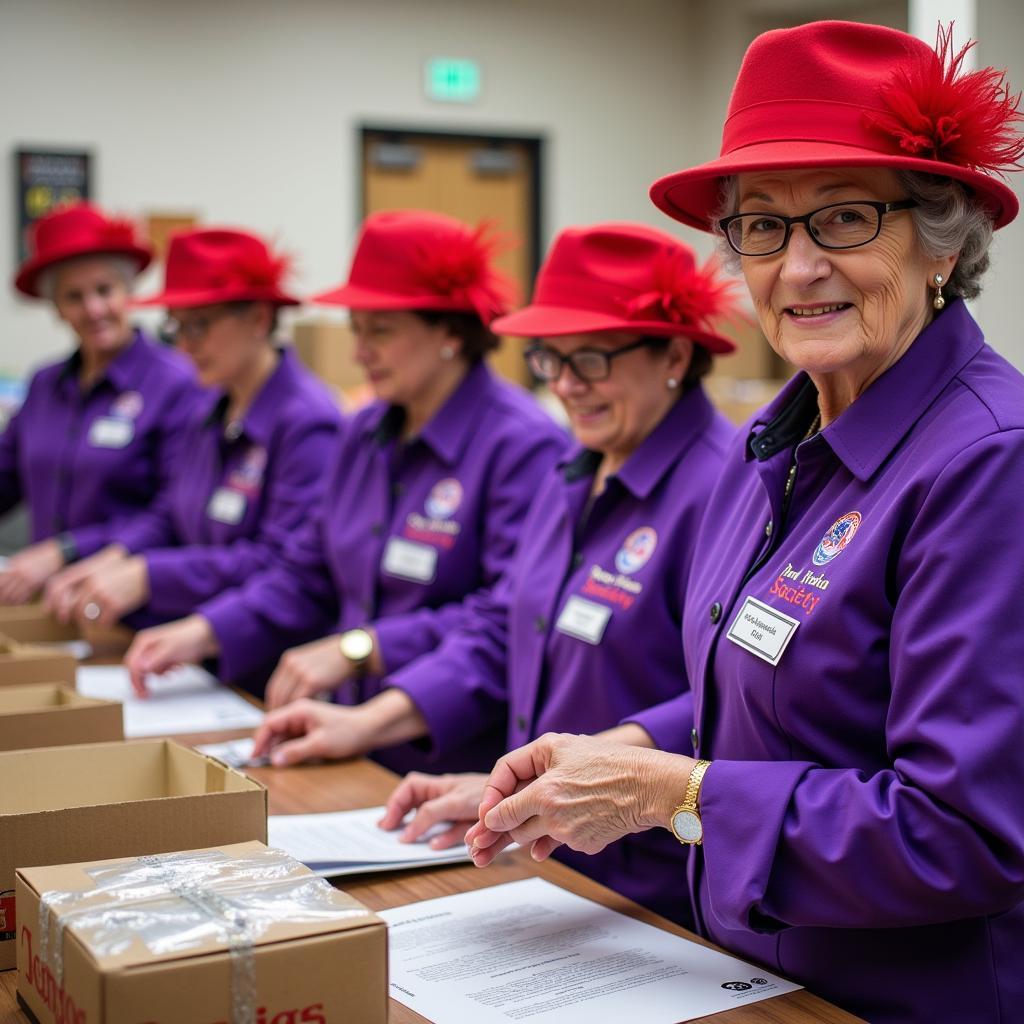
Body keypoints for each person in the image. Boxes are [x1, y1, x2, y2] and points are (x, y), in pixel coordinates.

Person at [464, 22, 1024, 1024]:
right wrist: (611, 750)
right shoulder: (774, 439)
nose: (796, 267)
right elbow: (770, 699)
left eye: (844, 219)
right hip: (737, 974)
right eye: (760, 228)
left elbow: (960, 834)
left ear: (939, 239)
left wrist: (664, 793)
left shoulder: (989, 461)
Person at [254, 222, 739, 926]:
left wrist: (555, 782)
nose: (567, 387)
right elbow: (498, 626)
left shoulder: (724, 488)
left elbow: (732, 702)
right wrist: (368, 723)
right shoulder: (579, 469)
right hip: (546, 858)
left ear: (674, 353)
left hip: (653, 885)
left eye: (593, 360)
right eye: (550, 359)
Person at [124, 210, 566, 765]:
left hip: (448, 755)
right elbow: (306, 571)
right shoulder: (365, 429)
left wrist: (363, 649)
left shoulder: (522, 444)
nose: (359, 352)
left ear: (450, 331)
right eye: (356, 329)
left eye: (380, 331)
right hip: (345, 734)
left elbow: (508, 616)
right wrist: (204, 630)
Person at [43, 228, 342, 650]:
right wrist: (113, 559)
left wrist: (149, 576)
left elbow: (280, 563)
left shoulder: (307, 421)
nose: (184, 345)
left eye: (199, 325)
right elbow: (170, 515)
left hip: (261, 660)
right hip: (193, 651)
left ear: (258, 319)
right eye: (176, 327)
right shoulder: (209, 406)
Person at [0, 202, 200, 603]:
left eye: (104, 290)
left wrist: (67, 551)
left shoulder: (177, 383)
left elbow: (174, 513)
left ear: (128, 292)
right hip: (48, 603)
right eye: (74, 296)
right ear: (56, 308)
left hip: (132, 604)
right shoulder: (44, 384)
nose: (93, 309)